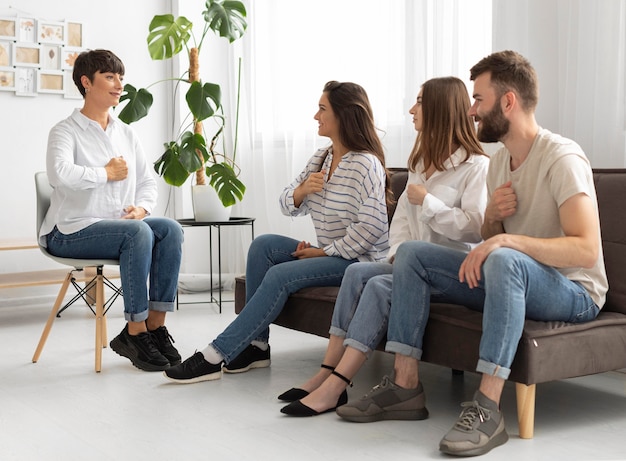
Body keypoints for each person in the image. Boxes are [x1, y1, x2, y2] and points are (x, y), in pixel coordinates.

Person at [336, 50, 608, 457]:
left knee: (502, 257)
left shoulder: (561, 158)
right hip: (514, 277)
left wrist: (504, 241)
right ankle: (405, 386)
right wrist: (495, 222)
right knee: (413, 253)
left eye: (478, 99)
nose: (471, 110)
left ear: (508, 101)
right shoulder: (500, 163)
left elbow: (585, 250)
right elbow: (489, 236)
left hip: (574, 291)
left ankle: (487, 408)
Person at [279, 76, 490, 417]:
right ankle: (327, 371)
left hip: (453, 273)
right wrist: (397, 255)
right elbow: (403, 222)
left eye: (419, 102)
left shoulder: (476, 167)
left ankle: (336, 386)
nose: (412, 109)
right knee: (359, 273)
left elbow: (476, 229)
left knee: (377, 285)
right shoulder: (420, 165)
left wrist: (431, 204)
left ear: (438, 109)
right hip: (410, 266)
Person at [164, 81, 391, 385]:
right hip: (331, 253)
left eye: (322, 109)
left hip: (359, 262)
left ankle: (215, 354)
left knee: (281, 274)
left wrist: (323, 252)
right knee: (264, 246)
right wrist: (302, 190)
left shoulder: (366, 164)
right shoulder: (321, 158)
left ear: (344, 115)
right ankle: (257, 346)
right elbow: (286, 203)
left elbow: (372, 228)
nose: (315, 116)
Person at [41, 49, 184, 372]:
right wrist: (105, 173)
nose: (119, 84)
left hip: (118, 227)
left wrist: (142, 208)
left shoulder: (126, 133)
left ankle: (154, 328)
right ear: (86, 83)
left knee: (169, 229)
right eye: (110, 76)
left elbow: (148, 181)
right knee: (138, 233)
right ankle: (133, 331)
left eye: (121, 77)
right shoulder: (65, 131)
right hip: (69, 231)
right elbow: (58, 174)